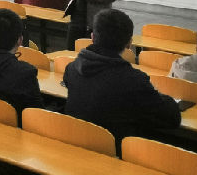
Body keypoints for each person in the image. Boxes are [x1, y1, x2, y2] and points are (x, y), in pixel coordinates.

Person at [64, 9, 180, 142]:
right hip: (114, 150)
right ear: (129, 43)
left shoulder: (72, 68)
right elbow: (172, 118)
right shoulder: (133, 80)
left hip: (76, 142)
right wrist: (160, 95)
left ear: (92, 37)